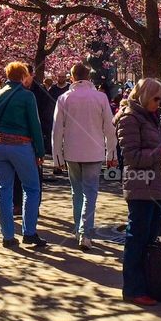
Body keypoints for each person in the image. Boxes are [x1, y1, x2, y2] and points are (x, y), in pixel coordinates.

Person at [115, 79, 161, 307]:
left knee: (149, 239)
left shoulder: (150, 116)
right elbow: (132, 157)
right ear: (145, 95)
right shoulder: (130, 118)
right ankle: (133, 288)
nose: (159, 104)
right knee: (137, 238)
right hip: (141, 186)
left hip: (157, 185)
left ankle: (148, 284)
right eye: (156, 98)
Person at [52, 63, 118, 251]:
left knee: (77, 191)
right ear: (89, 77)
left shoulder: (64, 98)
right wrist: (111, 152)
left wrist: (57, 156)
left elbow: (57, 129)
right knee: (90, 192)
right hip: (94, 151)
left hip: (72, 151)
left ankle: (78, 229)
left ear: (72, 77)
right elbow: (109, 127)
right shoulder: (100, 97)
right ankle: (85, 232)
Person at [0, 62, 47, 249]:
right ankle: (29, 232)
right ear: (23, 76)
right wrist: (39, 150)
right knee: (31, 189)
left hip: (0, 145)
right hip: (21, 145)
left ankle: (7, 235)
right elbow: (35, 125)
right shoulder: (27, 96)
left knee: (3, 189)